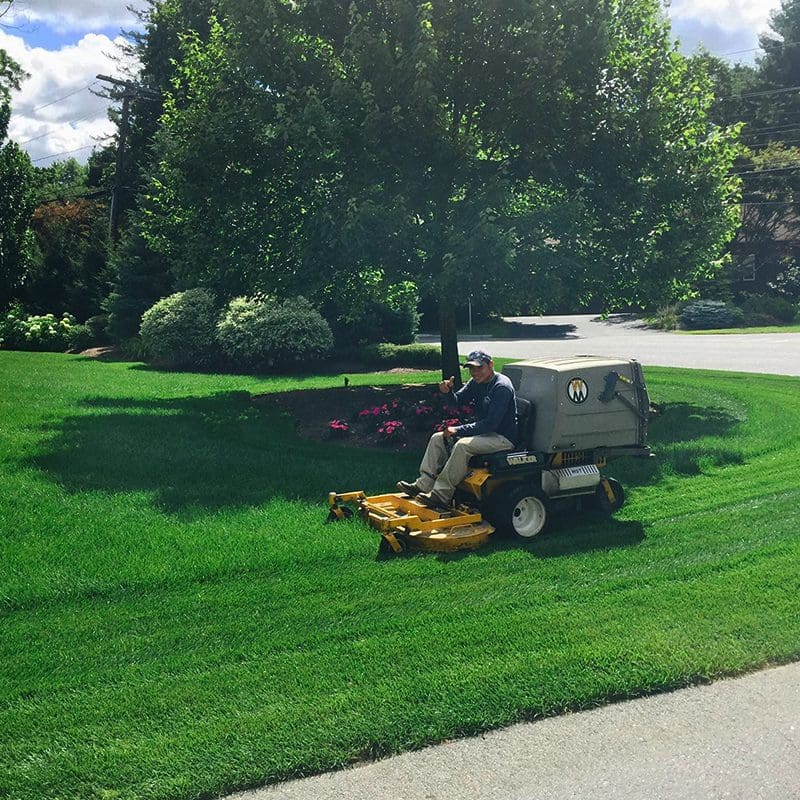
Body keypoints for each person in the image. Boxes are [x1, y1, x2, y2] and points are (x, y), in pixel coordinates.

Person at [397, 349, 517, 510]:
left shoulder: (501, 387)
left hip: (502, 438)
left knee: (463, 446)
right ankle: (423, 484)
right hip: (485, 434)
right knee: (437, 438)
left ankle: (441, 495)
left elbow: (491, 424)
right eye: (471, 369)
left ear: (490, 365)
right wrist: (447, 392)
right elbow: (457, 402)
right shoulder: (476, 382)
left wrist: (458, 430)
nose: (474, 372)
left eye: (479, 368)